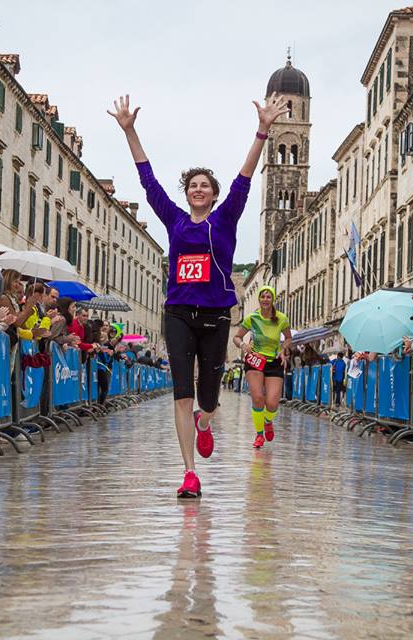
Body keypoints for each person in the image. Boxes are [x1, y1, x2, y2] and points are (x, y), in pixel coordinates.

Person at [110, 92, 286, 497]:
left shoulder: (225, 218)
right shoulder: (174, 220)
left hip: (216, 316)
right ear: (187, 192)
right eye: (193, 185)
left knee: (208, 397)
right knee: (182, 392)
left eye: (205, 185)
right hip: (177, 313)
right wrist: (130, 131)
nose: (199, 189)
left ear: (214, 193)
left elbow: (244, 177)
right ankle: (189, 472)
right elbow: (149, 182)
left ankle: (205, 422)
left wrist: (262, 130)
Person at [233, 285, 292, 448]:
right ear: (259, 299)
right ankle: (259, 435)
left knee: (272, 403)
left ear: (273, 299)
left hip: (274, 362)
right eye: (263, 296)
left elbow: (288, 338)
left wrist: (283, 349)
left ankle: (267, 421)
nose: (265, 299)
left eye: (268, 296)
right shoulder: (252, 318)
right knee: (258, 398)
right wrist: (243, 345)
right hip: (255, 361)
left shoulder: (281, 318)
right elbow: (236, 337)